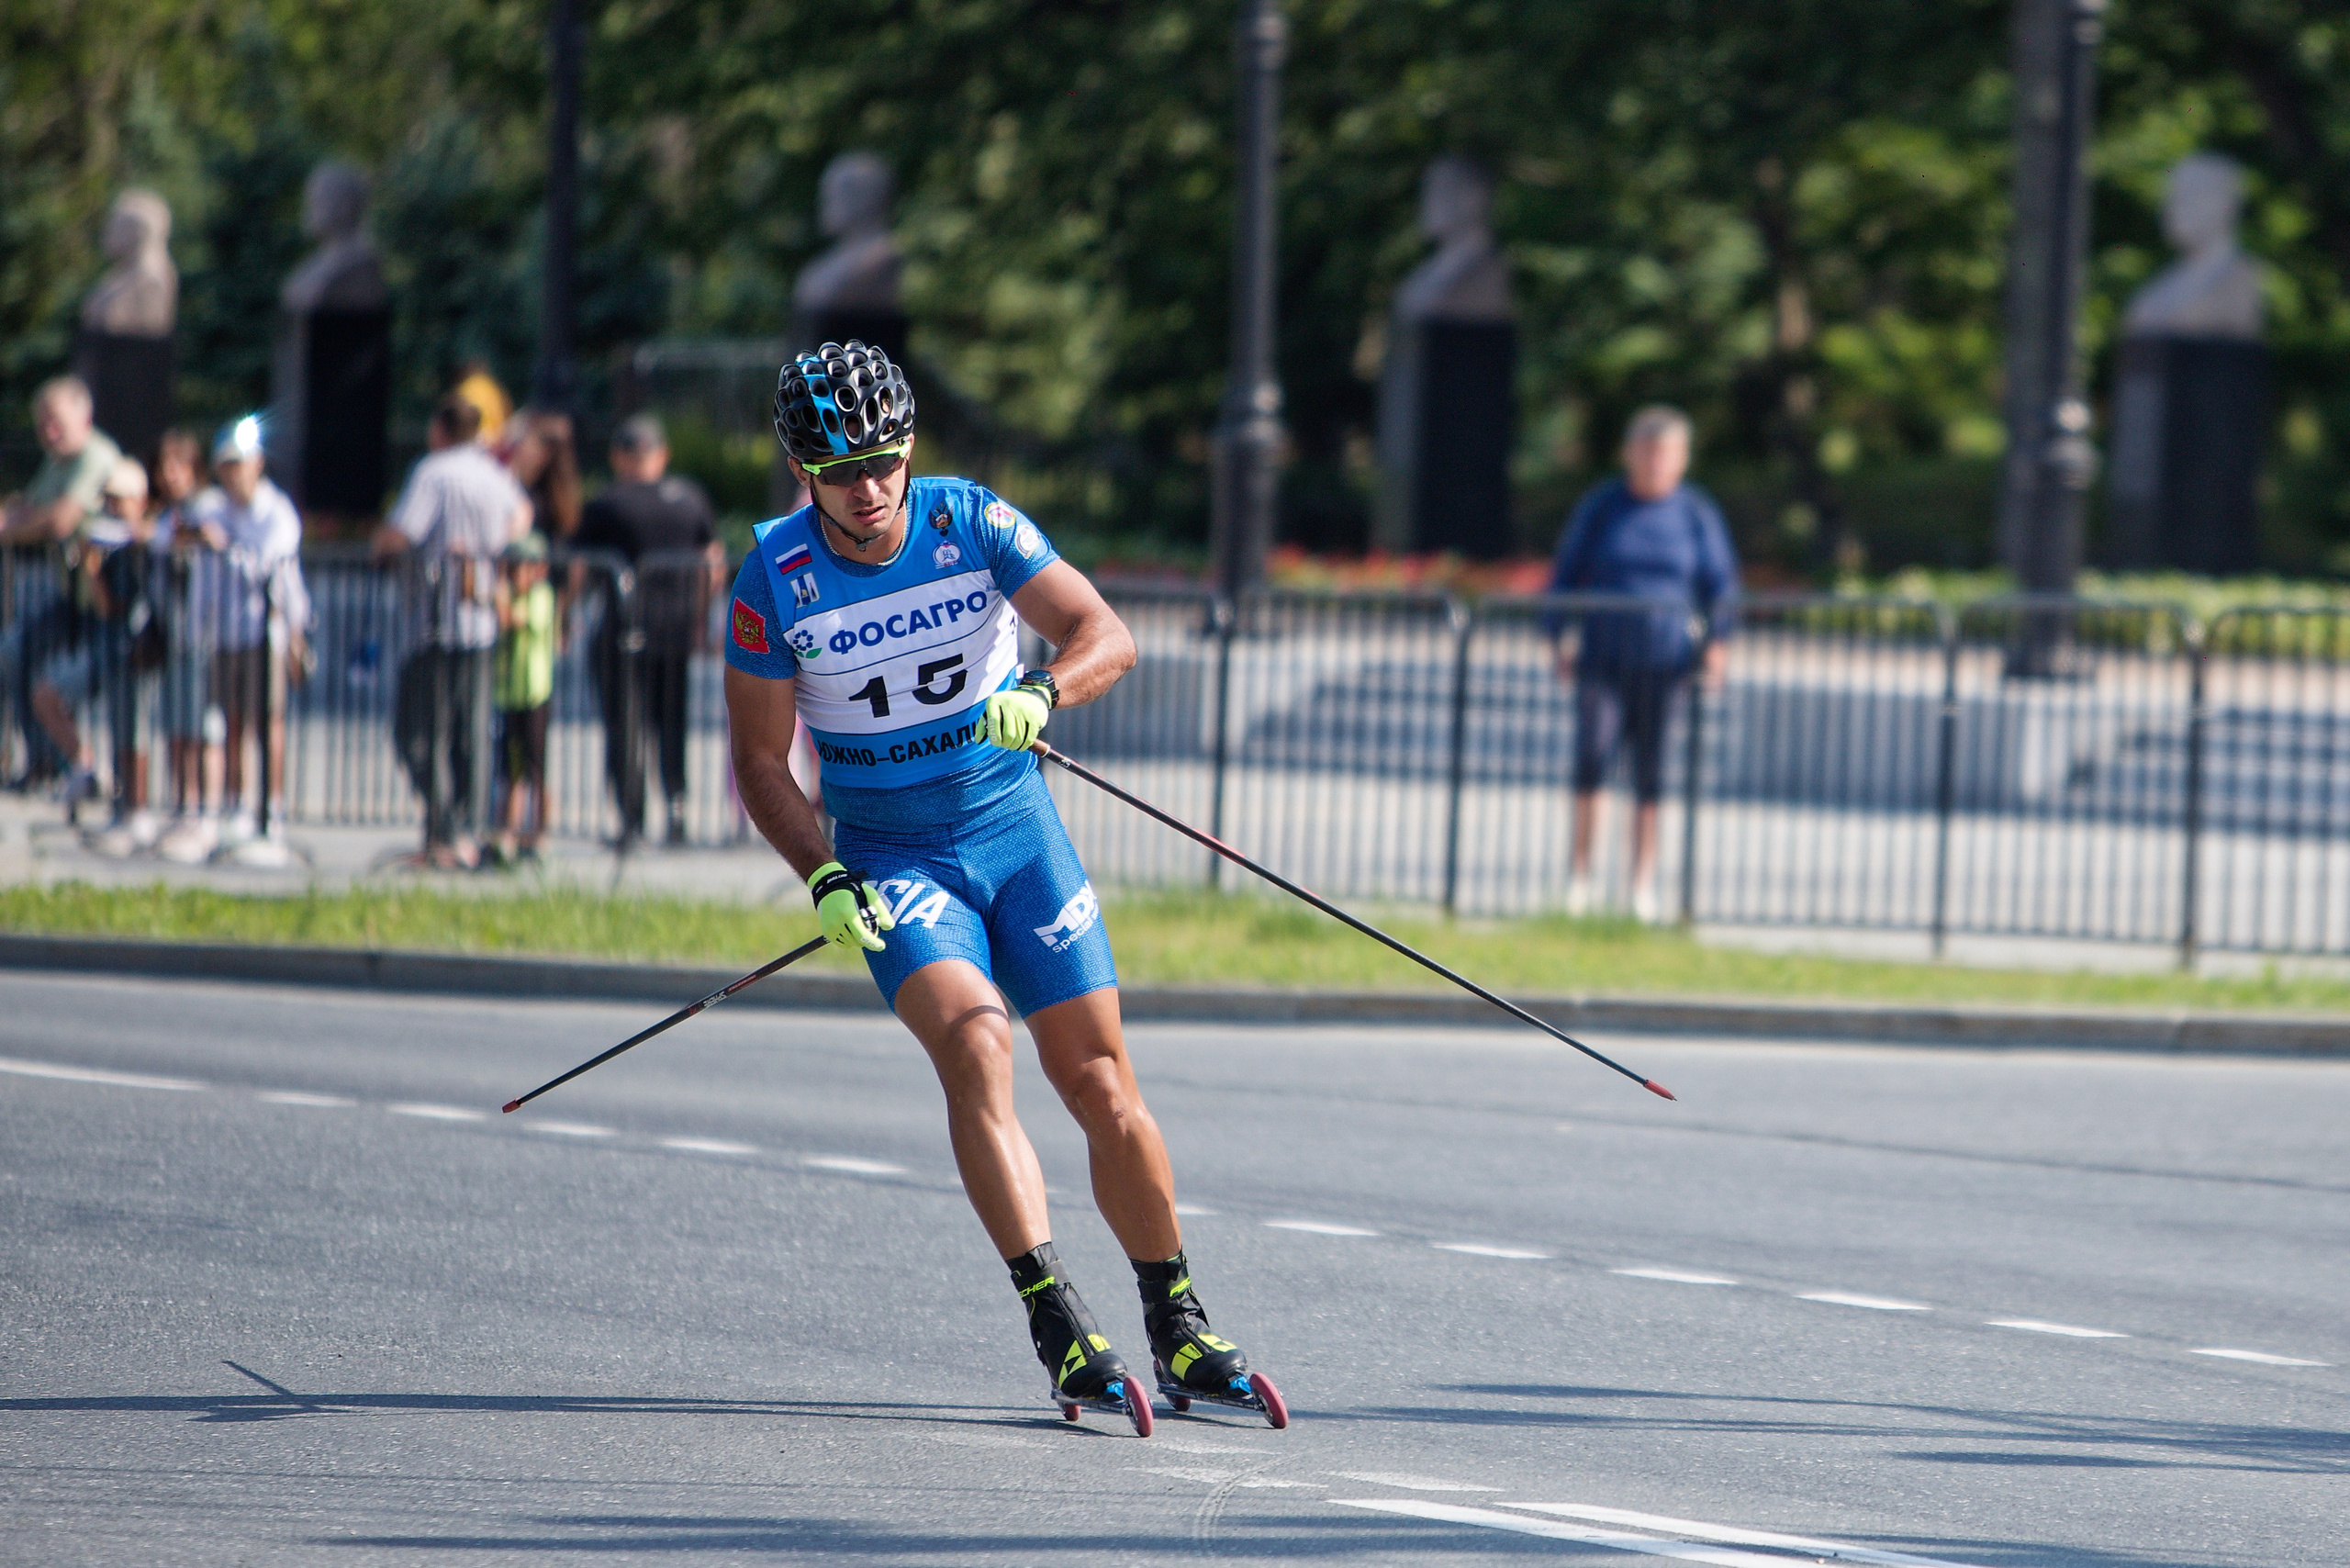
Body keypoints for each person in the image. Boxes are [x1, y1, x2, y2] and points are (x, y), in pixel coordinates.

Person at [725, 341, 1272, 1428]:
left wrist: (1045, 690)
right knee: (979, 1042)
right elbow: (757, 758)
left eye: (883, 460)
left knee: (1101, 1082)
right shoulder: (771, 580)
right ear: (801, 470)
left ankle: (1178, 1321)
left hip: (1015, 834)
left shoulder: (969, 520)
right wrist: (822, 872)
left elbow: (1104, 633)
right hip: (893, 857)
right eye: (840, 470)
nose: (868, 488)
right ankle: (1056, 1319)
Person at [1546, 405, 1739, 922]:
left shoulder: (1695, 513)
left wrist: (1717, 644)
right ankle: (1580, 879)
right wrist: (1555, 635)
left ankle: (1641, 887)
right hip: (1603, 657)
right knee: (1592, 760)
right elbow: (1566, 573)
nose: (1655, 463)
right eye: (1648, 451)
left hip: (1666, 661)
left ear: (1682, 459)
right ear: (1630, 454)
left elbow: (1720, 584)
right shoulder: (1602, 507)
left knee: (1651, 776)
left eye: (1666, 453)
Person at [376, 393, 531, 867]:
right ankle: (466, 830)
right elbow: (521, 517)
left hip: (434, 623)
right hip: (481, 622)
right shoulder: (493, 474)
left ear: (440, 429)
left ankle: (444, 832)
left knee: (417, 733)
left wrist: (380, 546)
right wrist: (492, 549)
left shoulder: (433, 472)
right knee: (471, 732)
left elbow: (401, 533)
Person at [571, 413, 722, 847]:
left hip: (623, 631)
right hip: (676, 631)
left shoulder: (607, 502)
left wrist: (566, 615)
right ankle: (676, 812)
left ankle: (631, 820)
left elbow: (579, 566)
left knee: (624, 727)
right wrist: (700, 616)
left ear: (619, 456)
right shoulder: (690, 498)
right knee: (672, 724)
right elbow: (713, 563)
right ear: (662, 454)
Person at [181, 415, 311, 860]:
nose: (232, 474)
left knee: (267, 722)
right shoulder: (214, 510)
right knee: (232, 722)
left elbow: (270, 568)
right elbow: (182, 547)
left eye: (239, 464)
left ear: (257, 464)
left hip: (266, 632)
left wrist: (224, 547)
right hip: (225, 634)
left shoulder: (276, 511)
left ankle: (271, 807)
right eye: (225, 466)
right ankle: (238, 804)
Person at [0, 376, 123, 787]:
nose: (48, 432)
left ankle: (86, 767)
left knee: (55, 688)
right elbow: (28, 509)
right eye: (42, 424)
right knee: (14, 649)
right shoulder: (55, 462)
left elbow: (61, 520)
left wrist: (13, 527)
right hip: (72, 597)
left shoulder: (96, 455)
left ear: (83, 415)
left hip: (108, 602)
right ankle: (42, 763)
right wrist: (17, 519)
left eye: (56, 421)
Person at [32, 456, 160, 843]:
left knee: (134, 731)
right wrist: (90, 565)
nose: (113, 507)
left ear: (140, 499)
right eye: (109, 499)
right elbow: (104, 605)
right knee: (116, 725)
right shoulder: (107, 542)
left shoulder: (148, 541)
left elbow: (132, 603)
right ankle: (117, 802)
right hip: (109, 645)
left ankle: (137, 809)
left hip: (140, 649)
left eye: (120, 499)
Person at [148, 431, 229, 863]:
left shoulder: (211, 506)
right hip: (174, 636)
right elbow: (159, 541)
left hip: (206, 637)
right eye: (164, 467)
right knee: (177, 728)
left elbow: (218, 541)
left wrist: (197, 537)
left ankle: (207, 813)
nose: (170, 475)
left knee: (204, 729)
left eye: (177, 466)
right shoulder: (168, 515)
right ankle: (182, 806)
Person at [488, 531, 555, 867]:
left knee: (536, 767)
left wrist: (498, 596)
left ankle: (539, 834)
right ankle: (509, 832)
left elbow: (514, 619)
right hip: (510, 693)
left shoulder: (541, 596)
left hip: (535, 693)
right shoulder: (512, 595)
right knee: (511, 769)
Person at [504, 409, 581, 541]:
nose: (516, 447)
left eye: (522, 441)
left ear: (543, 453)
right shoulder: (562, 498)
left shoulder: (535, 504)